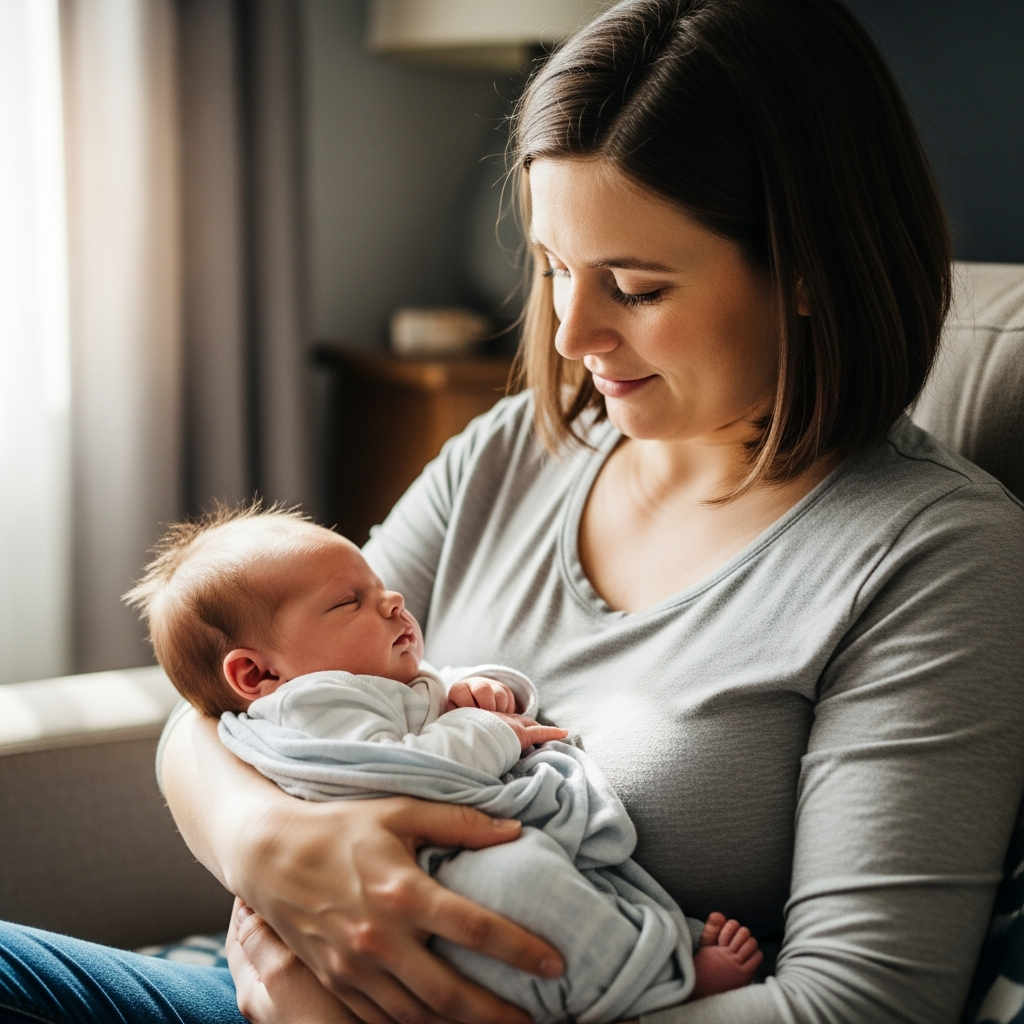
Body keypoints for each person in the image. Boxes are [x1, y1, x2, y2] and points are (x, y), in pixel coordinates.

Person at [1, 0, 1022, 1022]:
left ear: (807, 271)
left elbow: (860, 1004)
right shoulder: (515, 452)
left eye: (635, 286)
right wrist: (265, 845)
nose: (573, 334)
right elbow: (230, 700)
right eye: (554, 268)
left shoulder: (933, 558)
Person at [123, 504, 763, 1021]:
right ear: (257, 674)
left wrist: (478, 689)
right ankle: (650, 984)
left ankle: (648, 950)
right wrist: (486, 728)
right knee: (520, 881)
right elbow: (402, 767)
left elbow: (430, 690)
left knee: (548, 880)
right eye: (349, 602)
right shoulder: (308, 706)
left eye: (380, 585)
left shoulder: (358, 678)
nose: (393, 599)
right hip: (421, 888)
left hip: (376, 944)